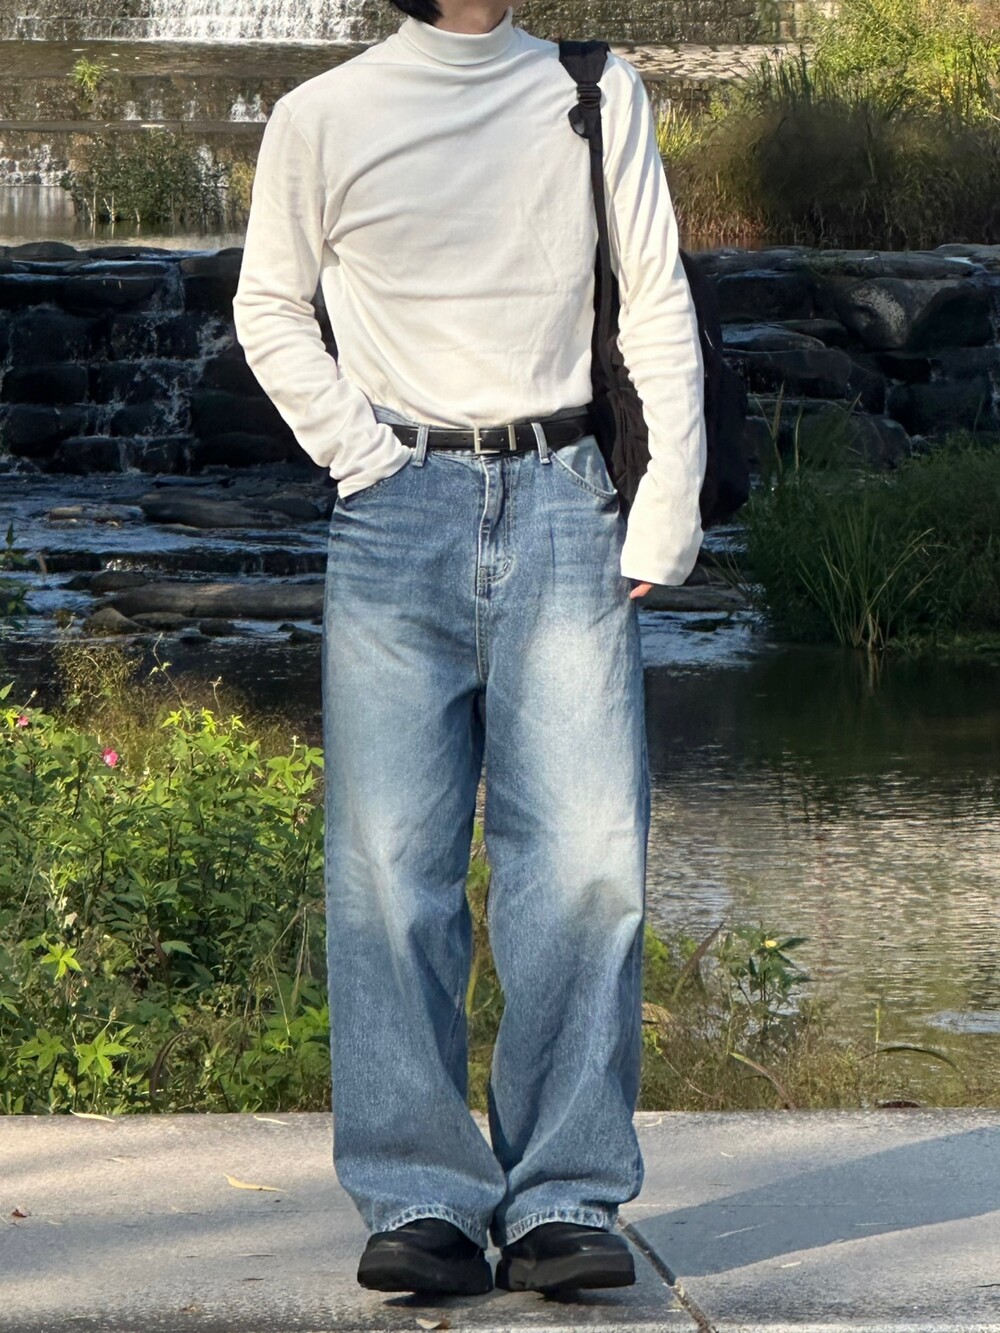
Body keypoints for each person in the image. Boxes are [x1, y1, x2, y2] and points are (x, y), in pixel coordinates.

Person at [232, 0, 706, 1300]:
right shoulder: (322, 115)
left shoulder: (595, 91)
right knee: (391, 870)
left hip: (566, 496)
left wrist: (667, 499)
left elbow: (656, 297)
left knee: (588, 863)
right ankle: (422, 1196)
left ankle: (563, 1197)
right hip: (396, 510)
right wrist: (361, 453)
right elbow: (268, 306)